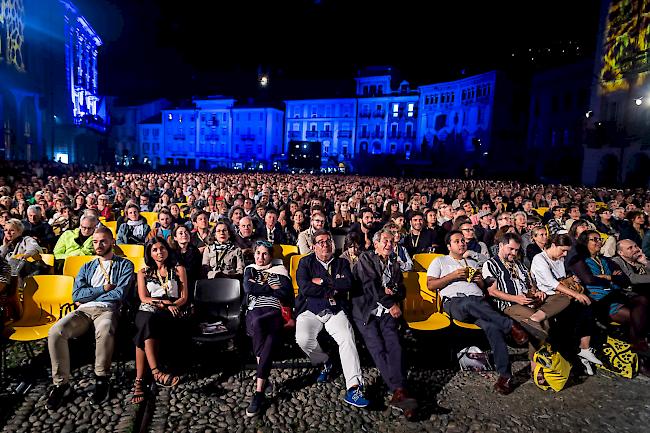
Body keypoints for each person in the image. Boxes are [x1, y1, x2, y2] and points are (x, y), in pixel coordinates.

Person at [46, 227, 135, 410]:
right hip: (83, 311)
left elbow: (119, 294)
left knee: (105, 328)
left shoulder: (125, 265)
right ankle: (61, 384)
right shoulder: (86, 266)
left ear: (112, 241)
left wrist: (89, 296)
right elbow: (76, 295)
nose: (98, 245)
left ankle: (102, 378)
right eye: (95, 242)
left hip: (107, 310)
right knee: (56, 331)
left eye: (103, 241)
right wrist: (102, 289)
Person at [427, 230, 516, 394]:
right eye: (457, 241)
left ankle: (505, 375)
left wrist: (480, 281)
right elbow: (431, 285)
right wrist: (453, 276)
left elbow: (482, 289)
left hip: (479, 303)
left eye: (463, 241)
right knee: (469, 303)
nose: (462, 243)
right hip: (455, 302)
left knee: (493, 328)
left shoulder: (472, 263)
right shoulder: (440, 261)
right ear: (449, 246)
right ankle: (510, 326)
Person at [295, 229, 369, 408]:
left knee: (347, 338)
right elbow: (305, 288)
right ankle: (325, 361)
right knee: (303, 339)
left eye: (328, 241)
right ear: (313, 246)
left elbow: (348, 284)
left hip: (335, 309)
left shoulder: (342, 262)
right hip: (310, 309)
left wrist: (322, 282)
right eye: (320, 242)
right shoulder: (305, 262)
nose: (325, 244)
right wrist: (333, 286)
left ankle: (354, 387)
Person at [483, 233, 571, 374]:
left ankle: (538, 320)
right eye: (511, 249)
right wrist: (516, 298)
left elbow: (530, 285)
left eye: (517, 250)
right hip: (509, 305)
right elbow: (492, 292)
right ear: (500, 246)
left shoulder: (519, 264)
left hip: (529, 301)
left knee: (564, 298)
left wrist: (536, 292)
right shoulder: (491, 264)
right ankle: (535, 364)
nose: (514, 253)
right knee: (543, 324)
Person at [353, 228, 417, 418]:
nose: (389, 244)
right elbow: (370, 285)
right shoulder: (366, 258)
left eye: (392, 242)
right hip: (367, 310)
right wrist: (389, 300)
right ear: (376, 244)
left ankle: (399, 392)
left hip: (387, 311)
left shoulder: (395, 264)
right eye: (385, 241)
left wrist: (393, 292)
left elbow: (402, 290)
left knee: (394, 343)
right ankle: (399, 389)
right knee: (377, 347)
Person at [529, 233, 603, 373]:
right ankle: (578, 354)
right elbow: (552, 283)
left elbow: (562, 278)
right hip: (547, 297)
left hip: (562, 296)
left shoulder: (559, 259)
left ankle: (584, 349)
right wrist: (575, 293)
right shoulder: (540, 259)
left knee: (586, 307)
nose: (564, 254)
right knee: (577, 308)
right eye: (562, 250)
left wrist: (572, 280)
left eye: (566, 251)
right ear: (553, 245)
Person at [570, 231, 648, 353]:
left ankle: (638, 349)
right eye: (594, 239)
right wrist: (613, 277)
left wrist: (607, 277)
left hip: (618, 295)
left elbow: (624, 280)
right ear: (585, 242)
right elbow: (589, 280)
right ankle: (640, 351)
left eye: (599, 239)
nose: (598, 241)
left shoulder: (606, 260)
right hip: (601, 300)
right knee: (640, 316)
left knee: (642, 300)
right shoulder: (579, 261)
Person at [132, 237, 189, 403]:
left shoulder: (178, 269)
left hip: (172, 310)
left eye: (162, 248)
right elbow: (144, 298)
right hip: (151, 307)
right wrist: (165, 304)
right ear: (149, 253)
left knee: (145, 325)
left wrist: (172, 305)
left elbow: (184, 297)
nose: (159, 252)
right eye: (155, 250)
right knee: (146, 320)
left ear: (167, 249)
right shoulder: (143, 272)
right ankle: (156, 372)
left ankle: (140, 381)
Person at [243, 241, 294, 416]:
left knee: (264, 331)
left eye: (265, 254)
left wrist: (261, 289)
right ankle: (261, 388)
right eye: (258, 253)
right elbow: (248, 288)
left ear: (271, 256)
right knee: (263, 330)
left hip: (274, 311)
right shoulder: (250, 269)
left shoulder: (280, 271)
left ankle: (259, 392)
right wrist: (270, 288)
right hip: (254, 310)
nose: (261, 257)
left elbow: (285, 293)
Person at [169, 225, 202, 301]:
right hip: (175, 282)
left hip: (191, 282)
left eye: (186, 232)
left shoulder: (195, 251)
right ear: (175, 238)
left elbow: (196, 270)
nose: (184, 235)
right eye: (180, 233)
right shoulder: (171, 252)